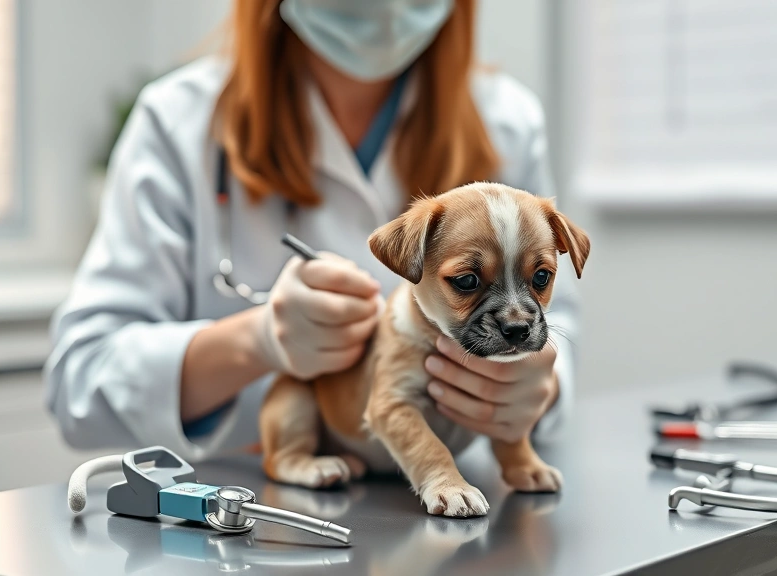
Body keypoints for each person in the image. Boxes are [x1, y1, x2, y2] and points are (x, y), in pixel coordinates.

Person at [45, 0, 580, 462]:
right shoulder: (177, 121)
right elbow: (80, 384)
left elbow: (561, 348)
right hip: (239, 514)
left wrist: (538, 388)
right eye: (466, 281)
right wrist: (255, 342)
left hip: (442, 510)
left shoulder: (508, 119)